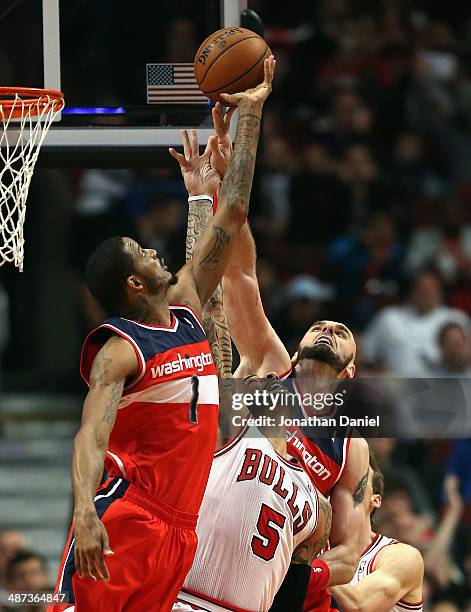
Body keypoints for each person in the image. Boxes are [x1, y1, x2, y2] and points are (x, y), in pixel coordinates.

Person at [48, 56, 276, 612]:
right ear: (133, 282)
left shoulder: (189, 304)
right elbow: (89, 438)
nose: (155, 250)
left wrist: (250, 116)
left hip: (182, 526)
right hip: (128, 514)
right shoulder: (120, 350)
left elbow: (235, 213)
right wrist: (84, 513)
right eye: (143, 252)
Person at [185, 118, 369, 611]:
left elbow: (352, 551)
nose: (328, 328)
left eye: (342, 332)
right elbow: (240, 272)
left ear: (349, 373)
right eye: (320, 326)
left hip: (269, 583)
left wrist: (300, 579)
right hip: (194, 551)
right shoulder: (270, 362)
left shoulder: (351, 446)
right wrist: (227, 191)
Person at [173, 376, 332, 612]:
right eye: (251, 381)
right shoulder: (229, 434)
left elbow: (291, 594)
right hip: (183, 600)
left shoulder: (318, 505)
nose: (270, 376)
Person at [330, 453, 424, 612]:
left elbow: (358, 605)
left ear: (375, 500)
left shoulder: (403, 556)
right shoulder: (316, 551)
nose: (347, 479)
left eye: (359, 474)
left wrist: (308, 561)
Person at [362, 269, 469, 376]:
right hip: (395, 387)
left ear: (440, 292)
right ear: (411, 291)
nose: (426, 293)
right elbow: (365, 352)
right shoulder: (389, 318)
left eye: (431, 289)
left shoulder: (456, 319)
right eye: (421, 288)